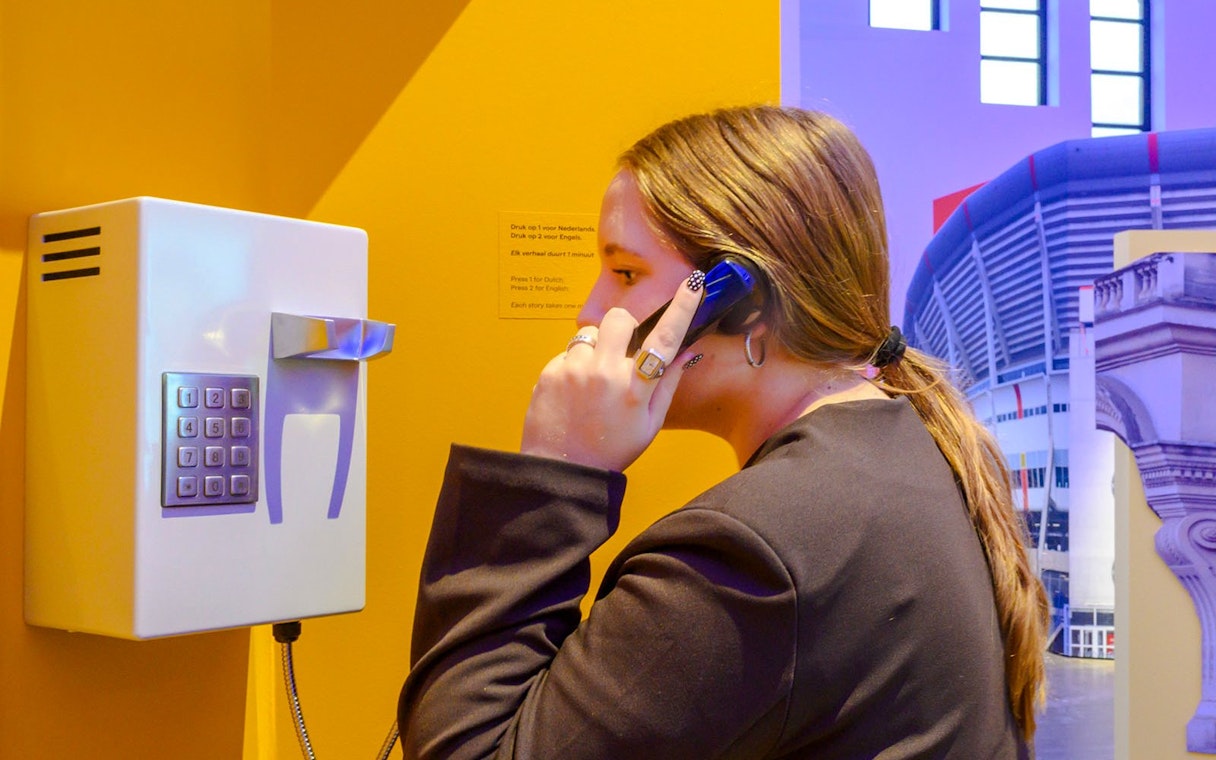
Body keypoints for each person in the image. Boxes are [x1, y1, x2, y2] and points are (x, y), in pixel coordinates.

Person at [399, 105, 1048, 759]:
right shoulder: (912, 447)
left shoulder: (752, 554)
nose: (590, 311)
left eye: (625, 273)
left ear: (739, 302)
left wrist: (554, 470)